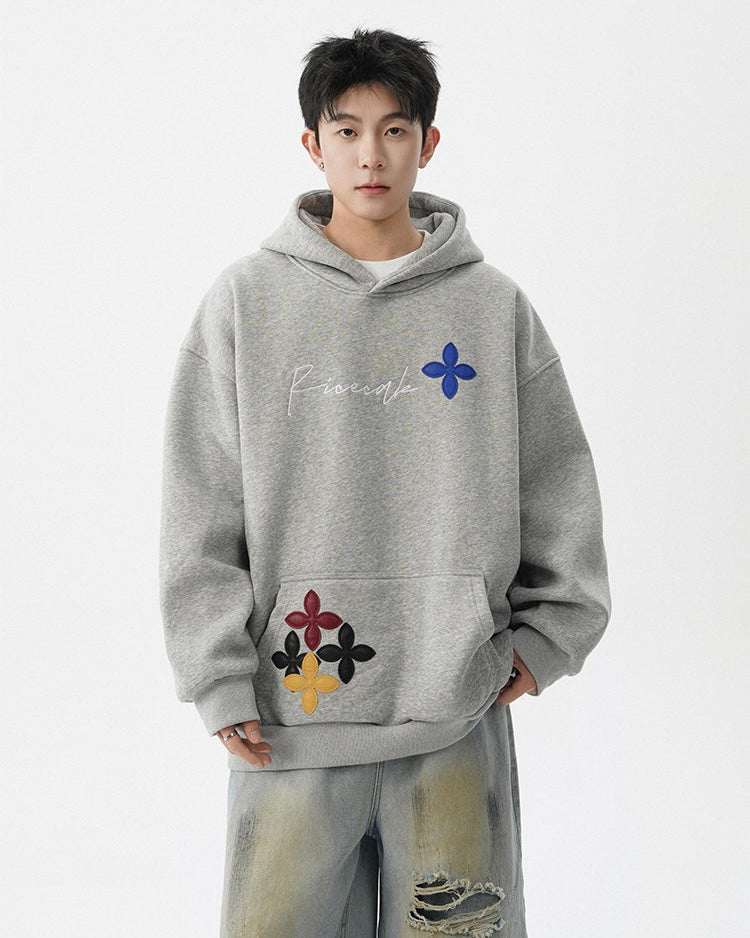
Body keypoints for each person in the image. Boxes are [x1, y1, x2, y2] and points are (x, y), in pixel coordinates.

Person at [158, 26, 611, 937]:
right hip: (290, 718)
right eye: (348, 130)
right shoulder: (245, 303)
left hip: (456, 711)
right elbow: (200, 503)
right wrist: (215, 676)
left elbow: (558, 478)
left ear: (427, 143)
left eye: (395, 130)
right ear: (313, 144)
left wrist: (550, 633)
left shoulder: (491, 308)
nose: (371, 155)